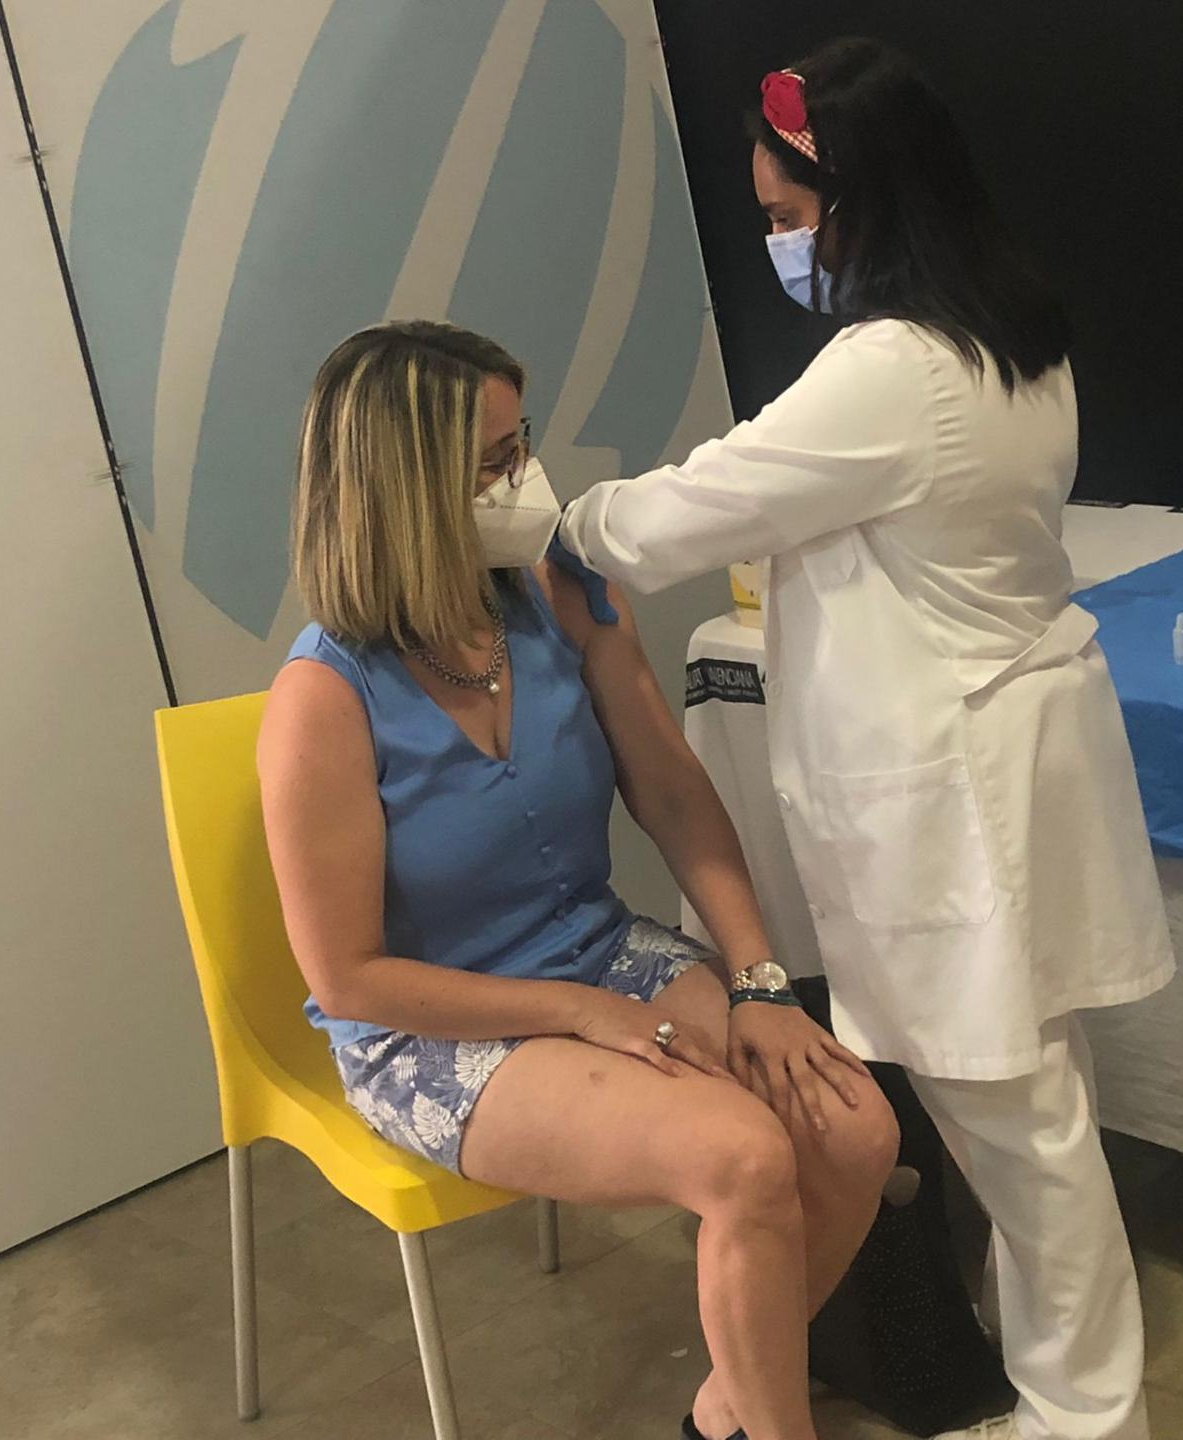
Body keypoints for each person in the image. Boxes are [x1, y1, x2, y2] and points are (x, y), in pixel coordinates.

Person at [554, 39, 1176, 1440]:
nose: (780, 244)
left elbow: (688, 509)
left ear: (861, 200)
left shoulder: (893, 366)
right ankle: (1064, 1384)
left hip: (959, 787)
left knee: (1017, 1128)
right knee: (1033, 1108)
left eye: (786, 215)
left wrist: (553, 521)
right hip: (1003, 752)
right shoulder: (1008, 336)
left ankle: (1086, 1418)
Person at [258, 320, 899, 1440]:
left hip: (599, 954)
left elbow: (675, 792)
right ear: (404, 496)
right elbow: (349, 979)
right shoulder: (324, 699)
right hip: (434, 1024)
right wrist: (579, 1014)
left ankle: (727, 1417)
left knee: (851, 1130)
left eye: (521, 444)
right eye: (492, 463)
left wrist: (759, 979)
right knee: (745, 1159)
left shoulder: (556, 597)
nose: (527, 481)